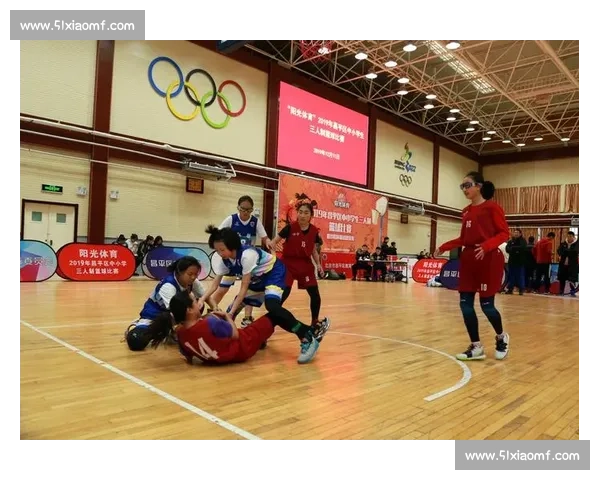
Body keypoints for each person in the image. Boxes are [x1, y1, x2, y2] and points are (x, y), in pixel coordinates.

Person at [203, 225, 330, 361]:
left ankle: (306, 336)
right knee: (231, 311)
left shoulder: (247, 255)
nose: (220, 253)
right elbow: (215, 284)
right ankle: (226, 340)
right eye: (217, 250)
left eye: (222, 250)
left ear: (232, 246)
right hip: (258, 280)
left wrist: (230, 313)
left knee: (272, 307)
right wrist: (201, 299)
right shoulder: (225, 261)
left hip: (274, 273)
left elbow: (243, 288)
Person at [434, 171, 510, 362]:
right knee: (465, 304)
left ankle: (501, 337)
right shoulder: (466, 211)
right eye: (462, 186)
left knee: (487, 306)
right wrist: (444, 247)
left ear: (479, 186)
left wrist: (486, 246)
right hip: (468, 260)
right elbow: (463, 238)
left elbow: (504, 233)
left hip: (488, 259)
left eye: (467, 185)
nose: (464, 189)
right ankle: (476, 346)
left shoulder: (492, 208)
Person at [145, 290, 328, 364]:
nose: (199, 302)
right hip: (242, 346)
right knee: (274, 314)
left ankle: (262, 340)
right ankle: (307, 336)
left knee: (259, 330)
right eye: (195, 301)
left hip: (221, 357)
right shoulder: (210, 322)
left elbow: (188, 356)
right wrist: (226, 317)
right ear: (189, 310)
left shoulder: (181, 334)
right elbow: (234, 335)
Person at [124, 256, 218, 351]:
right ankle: (141, 327)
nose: (193, 277)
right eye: (190, 274)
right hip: (154, 317)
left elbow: (205, 296)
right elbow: (177, 312)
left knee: (199, 305)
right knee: (137, 340)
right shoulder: (168, 286)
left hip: (173, 315)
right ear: (179, 272)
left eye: (196, 274)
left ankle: (174, 332)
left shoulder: (193, 281)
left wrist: (215, 309)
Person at [212, 195, 272, 327]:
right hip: (232, 261)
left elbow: (265, 237)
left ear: (252, 210)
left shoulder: (255, 221)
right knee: (222, 288)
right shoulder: (231, 219)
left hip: (247, 262)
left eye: (248, 210)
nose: (245, 212)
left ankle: (247, 318)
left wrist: (269, 242)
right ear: (238, 208)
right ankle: (211, 311)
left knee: (249, 290)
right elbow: (218, 235)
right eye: (243, 209)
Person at [269, 201, 329, 329]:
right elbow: (273, 243)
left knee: (315, 294)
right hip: (288, 264)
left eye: (306, 213)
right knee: (282, 295)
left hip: (305, 264)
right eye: (300, 212)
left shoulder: (314, 231)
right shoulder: (289, 228)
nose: (302, 215)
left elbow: (313, 250)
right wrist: (274, 258)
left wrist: (318, 265)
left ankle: (315, 322)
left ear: (311, 215)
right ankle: (268, 324)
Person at [505, 229, 527, 295]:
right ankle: (510, 289)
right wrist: (515, 250)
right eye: (515, 232)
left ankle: (521, 289)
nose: (516, 233)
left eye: (517, 232)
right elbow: (507, 249)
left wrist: (513, 249)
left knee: (520, 276)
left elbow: (523, 248)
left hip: (520, 261)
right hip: (512, 261)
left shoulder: (523, 241)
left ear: (520, 234)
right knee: (511, 275)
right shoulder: (510, 241)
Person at [557, 231, 579, 296]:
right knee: (562, 278)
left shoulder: (576, 244)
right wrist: (563, 252)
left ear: (573, 237)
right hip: (563, 265)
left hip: (572, 265)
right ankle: (561, 291)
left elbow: (575, 252)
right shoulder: (563, 244)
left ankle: (572, 291)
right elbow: (559, 251)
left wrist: (566, 251)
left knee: (572, 279)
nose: (569, 238)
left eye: (570, 236)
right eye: (568, 236)